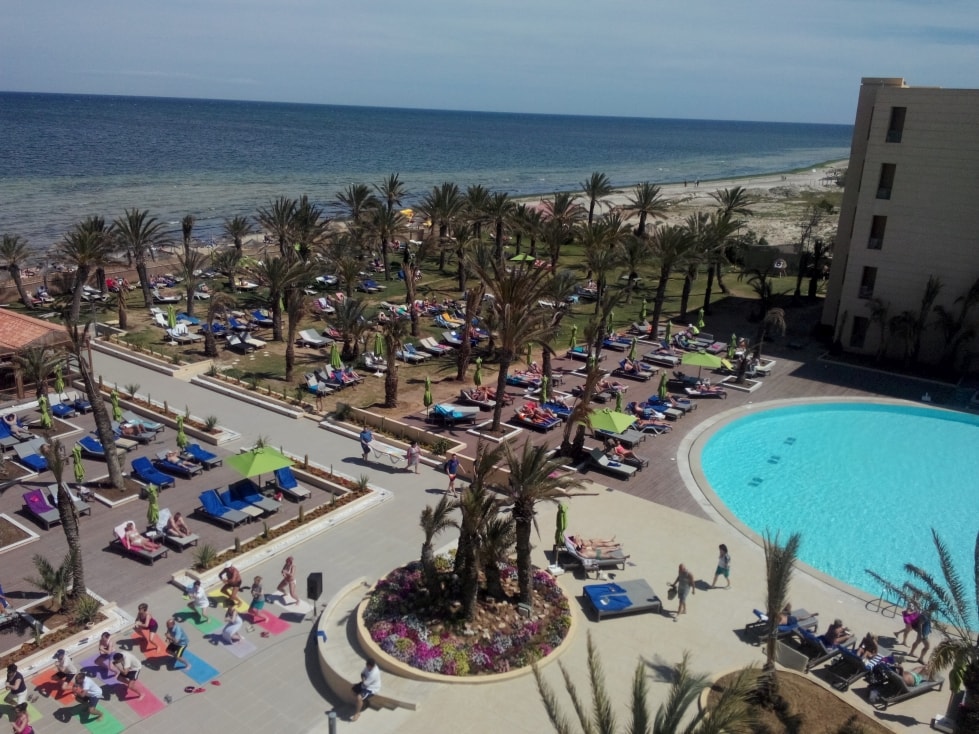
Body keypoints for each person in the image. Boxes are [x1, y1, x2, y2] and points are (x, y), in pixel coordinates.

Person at [350, 658, 381, 722]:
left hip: (371, 688)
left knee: (359, 697)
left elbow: (365, 683)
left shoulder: (374, 673)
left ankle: (357, 713)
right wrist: (363, 679)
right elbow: (362, 673)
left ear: (372, 666)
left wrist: (363, 679)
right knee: (353, 690)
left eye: (368, 666)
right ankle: (363, 703)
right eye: (366, 665)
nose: (367, 667)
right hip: (365, 685)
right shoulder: (367, 666)